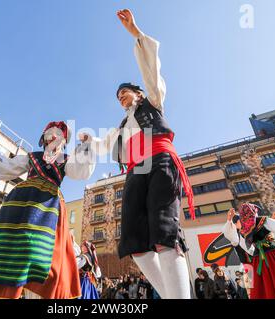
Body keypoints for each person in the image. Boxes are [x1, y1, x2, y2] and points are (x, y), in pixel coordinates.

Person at [80, 8, 195, 300]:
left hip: (160, 161)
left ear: (139, 93)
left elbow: (151, 72)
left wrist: (137, 35)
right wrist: (87, 139)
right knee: (134, 242)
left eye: (125, 93)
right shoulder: (121, 126)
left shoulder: (153, 101)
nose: (121, 98)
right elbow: (103, 144)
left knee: (164, 231)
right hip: (135, 171)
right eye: (118, 97)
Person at [0, 121, 95, 299]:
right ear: (43, 137)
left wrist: (86, 145)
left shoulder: (66, 160)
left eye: (59, 134)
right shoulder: (31, 157)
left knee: (41, 253)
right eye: (50, 132)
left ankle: (38, 291)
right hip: (21, 203)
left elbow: (80, 172)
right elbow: (7, 164)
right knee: (14, 249)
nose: (53, 136)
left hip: (48, 207)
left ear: (64, 140)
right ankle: (9, 288)